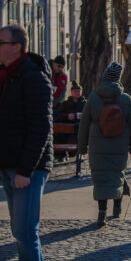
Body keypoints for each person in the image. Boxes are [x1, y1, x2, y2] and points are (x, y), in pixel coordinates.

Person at [0, 25, 53, 261]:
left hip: (28, 168)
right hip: (8, 163)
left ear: (16, 47)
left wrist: (25, 169)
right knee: (18, 230)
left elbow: (41, 127)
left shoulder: (33, 76)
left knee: (25, 230)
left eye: (1, 42)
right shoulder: (6, 76)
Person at [77, 62, 131, 227]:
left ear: (104, 77)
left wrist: (82, 147)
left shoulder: (93, 98)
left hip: (98, 145)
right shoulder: (126, 99)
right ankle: (117, 208)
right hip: (119, 144)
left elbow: (84, 123)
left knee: (101, 178)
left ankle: (101, 212)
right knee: (117, 175)